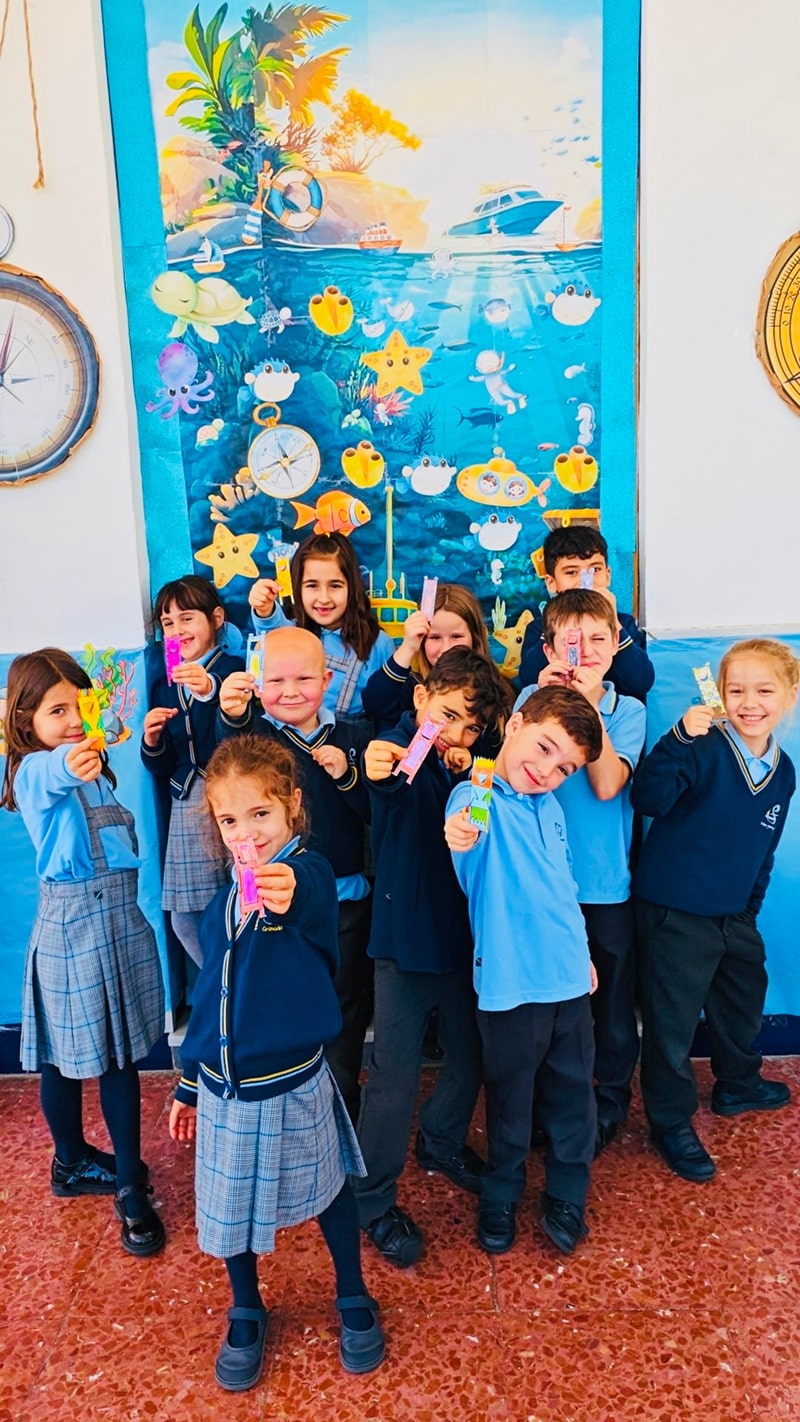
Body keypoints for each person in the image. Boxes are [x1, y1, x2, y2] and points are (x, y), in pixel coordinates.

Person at [169, 736, 385, 1391]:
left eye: (260, 814)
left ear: (292, 806)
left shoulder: (305, 874)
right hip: (225, 1090)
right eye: (230, 820)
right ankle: (246, 1306)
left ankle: (352, 1291)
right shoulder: (222, 905)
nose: (247, 833)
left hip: (293, 1083)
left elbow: (309, 895)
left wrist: (288, 889)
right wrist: (188, 1082)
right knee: (228, 1205)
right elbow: (211, 998)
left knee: (329, 1190)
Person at [1, 649, 165, 1256]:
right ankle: (108, 1181)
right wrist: (71, 756)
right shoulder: (35, 771)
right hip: (72, 930)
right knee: (65, 1060)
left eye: (80, 705)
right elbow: (54, 770)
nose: (73, 720)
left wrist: (98, 728)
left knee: (117, 1057)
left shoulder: (95, 767)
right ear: (25, 722)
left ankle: (90, 1165)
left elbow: (99, 735)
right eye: (57, 710)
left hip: (119, 922)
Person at [356, 648, 509, 1267]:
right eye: (447, 715)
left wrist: (471, 760)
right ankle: (371, 1200)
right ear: (420, 698)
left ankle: (441, 1140)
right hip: (403, 944)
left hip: (464, 940)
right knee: (393, 1079)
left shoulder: (473, 762)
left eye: (471, 726)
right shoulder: (398, 750)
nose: (456, 733)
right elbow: (388, 780)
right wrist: (380, 766)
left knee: (472, 1055)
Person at [631, 638, 798, 1183]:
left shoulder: (783, 771)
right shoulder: (701, 747)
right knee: (672, 1026)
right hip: (675, 914)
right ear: (720, 694)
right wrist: (679, 737)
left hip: (734, 915)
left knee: (741, 1000)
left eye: (764, 690)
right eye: (737, 690)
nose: (750, 702)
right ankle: (670, 1122)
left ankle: (737, 1083)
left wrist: (749, 908)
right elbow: (648, 799)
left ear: (790, 695)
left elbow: (764, 847)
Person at [445, 685, 603, 1256]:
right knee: (510, 1102)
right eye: (543, 747)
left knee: (573, 1097)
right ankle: (501, 1193)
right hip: (510, 986)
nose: (546, 771)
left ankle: (567, 1192)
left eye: (564, 768)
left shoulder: (552, 808)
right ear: (514, 725)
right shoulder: (478, 792)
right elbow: (465, 821)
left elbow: (564, 888)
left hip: (569, 980)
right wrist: (460, 831)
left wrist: (583, 953)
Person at [216, 627, 372, 1123]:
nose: (290, 692)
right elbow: (227, 762)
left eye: (304, 679)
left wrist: (347, 776)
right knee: (279, 1003)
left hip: (345, 903)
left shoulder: (353, 737)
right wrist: (230, 714)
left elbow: (374, 811)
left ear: (327, 680)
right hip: (268, 904)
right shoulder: (254, 739)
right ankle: (284, 1106)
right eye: (276, 680)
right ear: (257, 684)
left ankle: (340, 1109)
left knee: (343, 1008)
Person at [523, 589, 646, 1153]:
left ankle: (610, 1103)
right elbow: (508, 780)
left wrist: (587, 706)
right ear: (550, 649)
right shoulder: (530, 700)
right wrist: (547, 703)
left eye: (598, 638)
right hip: (542, 888)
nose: (587, 650)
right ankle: (548, 1108)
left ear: (617, 644)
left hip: (604, 887)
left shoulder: (629, 710)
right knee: (549, 1010)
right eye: (573, 641)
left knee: (611, 1007)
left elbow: (606, 784)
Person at [141, 575, 245, 966]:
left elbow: (240, 729)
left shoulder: (233, 668)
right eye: (168, 623)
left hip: (234, 796)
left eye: (187, 618)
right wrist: (152, 741)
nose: (177, 630)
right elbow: (164, 764)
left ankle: (243, 980)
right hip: (187, 803)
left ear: (216, 618)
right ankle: (221, 982)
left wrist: (209, 690)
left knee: (243, 899)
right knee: (185, 918)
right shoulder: (163, 686)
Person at [248, 532, 394, 718]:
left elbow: (389, 708)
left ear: (352, 587)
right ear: (297, 587)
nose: (324, 598)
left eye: (335, 586)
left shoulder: (380, 644)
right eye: (312, 585)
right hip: (289, 734)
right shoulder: (292, 633)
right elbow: (272, 634)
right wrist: (264, 609)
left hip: (353, 735)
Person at [519, 527, 654, 702]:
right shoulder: (539, 628)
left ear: (608, 576)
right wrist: (554, 622)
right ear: (551, 582)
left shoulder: (623, 624)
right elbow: (529, 678)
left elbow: (641, 682)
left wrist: (614, 622)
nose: (585, 582)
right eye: (571, 572)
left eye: (595, 570)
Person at [362, 582, 496, 732]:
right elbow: (374, 703)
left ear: (475, 638)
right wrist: (408, 647)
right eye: (435, 637)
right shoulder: (411, 687)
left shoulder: (494, 691)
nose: (446, 649)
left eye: (456, 636)